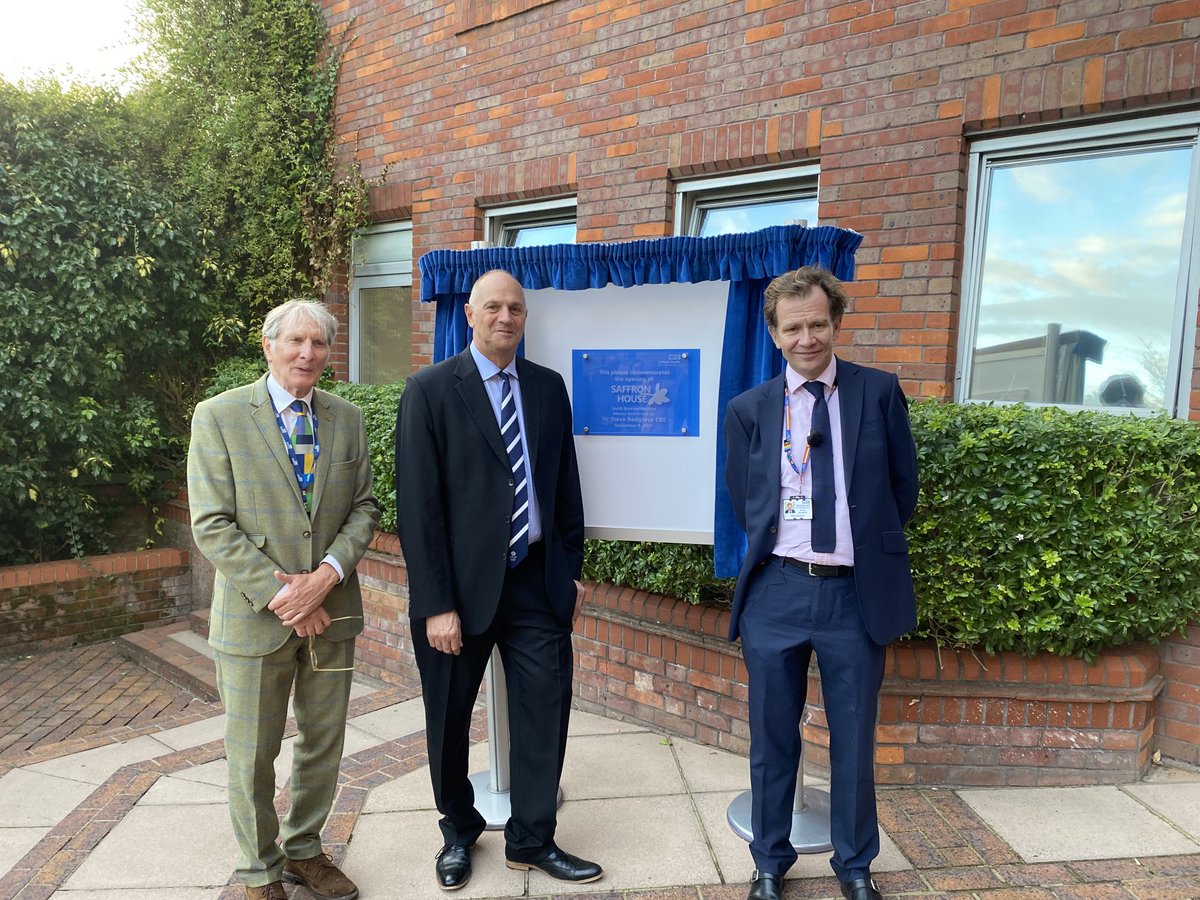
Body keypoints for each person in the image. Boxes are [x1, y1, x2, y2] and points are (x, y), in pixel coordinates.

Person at [395, 269, 601, 891]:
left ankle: (532, 839)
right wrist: (436, 604)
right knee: (449, 719)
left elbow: (565, 489)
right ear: (470, 315)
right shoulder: (429, 390)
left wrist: (568, 573)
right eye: (493, 307)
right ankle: (459, 831)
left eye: (515, 308)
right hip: (456, 592)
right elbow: (418, 506)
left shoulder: (547, 388)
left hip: (536, 582)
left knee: (544, 712)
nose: (505, 317)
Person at [723, 267, 919, 900]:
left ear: (835, 322)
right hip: (776, 592)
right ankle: (769, 861)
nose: (806, 337)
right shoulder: (750, 409)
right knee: (770, 735)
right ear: (775, 334)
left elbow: (901, 489)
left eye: (817, 323)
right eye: (793, 327)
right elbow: (744, 500)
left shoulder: (879, 392)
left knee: (854, 736)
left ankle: (855, 864)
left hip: (852, 595)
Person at [188, 299, 380, 900]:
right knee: (252, 752)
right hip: (254, 619)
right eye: (295, 341)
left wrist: (325, 575)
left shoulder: (347, 419)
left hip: (334, 610)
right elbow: (212, 523)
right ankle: (259, 870)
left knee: (324, 741)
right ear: (268, 346)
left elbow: (365, 508)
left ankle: (304, 851)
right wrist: (290, 595)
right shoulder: (218, 416)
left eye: (319, 343)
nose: (307, 354)